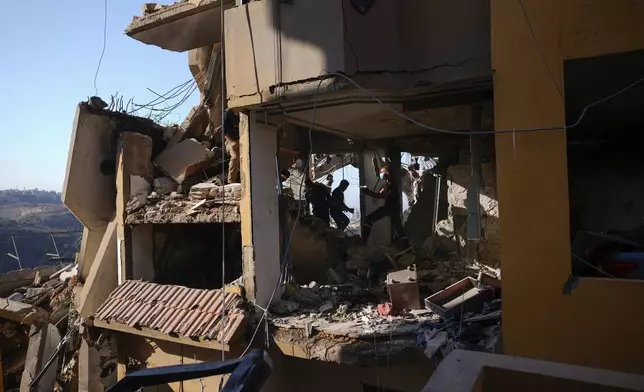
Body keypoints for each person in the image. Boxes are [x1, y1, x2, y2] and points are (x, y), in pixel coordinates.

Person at [361, 167, 408, 247]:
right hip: (393, 208)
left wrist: (368, 192)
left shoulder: (391, 183)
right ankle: (406, 245)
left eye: (382, 172)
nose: (381, 174)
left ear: (387, 173)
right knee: (398, 227)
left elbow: (383, 196)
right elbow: (383, 193)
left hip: (390, 207)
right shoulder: (389, 183)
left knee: (369, 219)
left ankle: (363, 242)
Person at [222, 109, 240, 184]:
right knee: (235, 157)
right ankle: (230, 181)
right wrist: (232, 141)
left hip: (240, 140)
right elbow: (224, 132)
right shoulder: (227, 114)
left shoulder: (241, 112)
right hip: (230, 141)